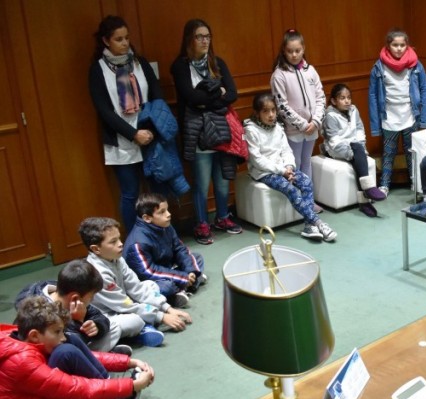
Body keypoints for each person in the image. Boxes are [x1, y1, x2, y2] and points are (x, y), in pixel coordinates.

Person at [0, 297, 154, 399]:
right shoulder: (21, 362)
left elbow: (83, 354)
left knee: (71, 341)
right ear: (34, 336)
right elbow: (76, 387)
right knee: (65, 351)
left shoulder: (19, 337)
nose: (62, 337)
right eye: (57, 332)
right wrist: (131, 385)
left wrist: (128, 362)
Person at [88, 15, 177, 232]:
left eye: (127, 38)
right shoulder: (98, 69)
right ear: (106, 41)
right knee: (130, 193)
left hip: (150, 137)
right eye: (119, 39)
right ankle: (134, 240)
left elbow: (157, 97)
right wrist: (133, 133)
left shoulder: (140, 62)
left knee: (157, 190)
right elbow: (104, 110)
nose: (125, 43)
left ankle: (164, 233)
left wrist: (150, 130)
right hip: (122, 141)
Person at [171, 18, 243, 245]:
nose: (204, 41)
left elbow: (232, 93)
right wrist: (217, 95)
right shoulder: (181, 66)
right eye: (199, 36)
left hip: (221, 131)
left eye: (207, 36)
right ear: (189, 39)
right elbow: (191, 98)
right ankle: (201, 223)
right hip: (197, 132)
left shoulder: (217, 63)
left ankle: (222, 217)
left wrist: (209, 100)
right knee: (201, 183)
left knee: (222, 180)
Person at [81, 217, 192, 347]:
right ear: (96, 249)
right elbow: (124, 306)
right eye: (113, 242)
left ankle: (147, 321)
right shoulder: (98, 274)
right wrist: (161, 316)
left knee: (151, 285)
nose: (120, 244)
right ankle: (141, 332)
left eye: (119, 238)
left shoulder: (116, 258)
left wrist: (167, 308)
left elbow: (136, 288)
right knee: (134, 321)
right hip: (108, 314)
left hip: (124, 301)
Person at [244, 94, 337, 241]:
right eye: (266, 111)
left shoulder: (278, 127)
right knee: (290, 188)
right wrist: (282, 171)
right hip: (264, 172)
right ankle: (318, 222)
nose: (271, 115)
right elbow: (257, 160)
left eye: (273, 110)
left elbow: (286, 150)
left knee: (306, 181)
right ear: (257, 113)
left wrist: (289, 166)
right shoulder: (251, 130)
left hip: (284, 168)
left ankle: (308, 226)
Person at [369, 28, 426, 195]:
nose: (398, 48)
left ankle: (414, 181)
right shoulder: (379, 67)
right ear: (388, 46)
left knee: (411, 151)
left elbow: (424, 89)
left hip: (411, 115)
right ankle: (384, 184)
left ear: (407, 46)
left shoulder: (416, 65)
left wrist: (425, 119)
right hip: (389, 116)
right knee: (388, 152)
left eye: (402, 45)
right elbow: (373, 95)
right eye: (394, 45)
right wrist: (375, 125)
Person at [270, 29, 325, 214]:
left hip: (312, 128)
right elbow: (282, 105)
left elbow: (320, 97)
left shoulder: (311, 71)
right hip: (294, 131)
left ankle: (309, 201)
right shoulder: (279, 74)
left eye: (297, 50)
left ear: (303, 49)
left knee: (306, 163)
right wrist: (302, 124)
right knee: (294, 165)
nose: (294, 55)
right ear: (283, 52)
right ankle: (297, 203)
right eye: (290, 51)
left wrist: (316, 121)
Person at [14, 259, 123, 353]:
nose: (92, 299)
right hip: (53, 354)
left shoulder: (66, 294)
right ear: (75, 297)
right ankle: (101, 357)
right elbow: (66, 345)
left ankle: (101, 355)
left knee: (115, 327)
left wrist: (96, 325)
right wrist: (78, 322)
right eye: (91, 296)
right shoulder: (42, 314)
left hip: (76, 341)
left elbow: (99, 316)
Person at [123, 193, 207, 308]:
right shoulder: (138, 243)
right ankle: (177, 293)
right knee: (166, 286)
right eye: (162, 212)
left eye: (167, 210)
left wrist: (190, 271)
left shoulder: (165, 225)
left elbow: (180, 249)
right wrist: (182, 276)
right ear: (147, 218)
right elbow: (149, 272)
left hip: (166, 267)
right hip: (149, 280)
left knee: (196, 258)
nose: (168, 214)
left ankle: (186, 285)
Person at [321, 84, 387, 217]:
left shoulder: (354, 110)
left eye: (349, 98)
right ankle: (368, 190)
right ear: (334, 101)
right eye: (342, 98)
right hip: (335, 149)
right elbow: (334, 142)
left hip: (354, 146)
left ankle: (364, 202)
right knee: (357, 154)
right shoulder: (330, 116)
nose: (347, 101)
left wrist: (360, 148)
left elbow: (360, 130)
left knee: (358, 152)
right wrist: (352, 152)